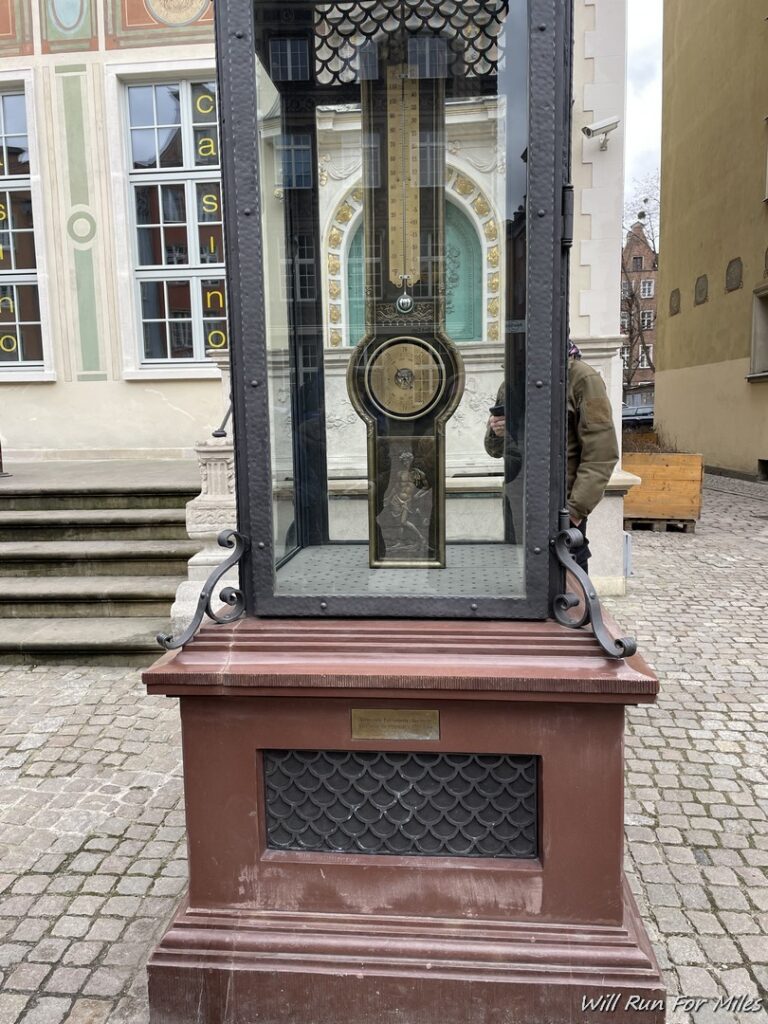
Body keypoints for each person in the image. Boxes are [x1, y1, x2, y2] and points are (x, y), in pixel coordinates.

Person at [485, 343, 619, 571]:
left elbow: (601, 455)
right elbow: (494, 449)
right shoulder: (510, 382)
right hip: (517, 506)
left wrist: (574, 512)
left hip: (560, 507)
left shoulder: (583, 379)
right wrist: (497, 431)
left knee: (567, 586)